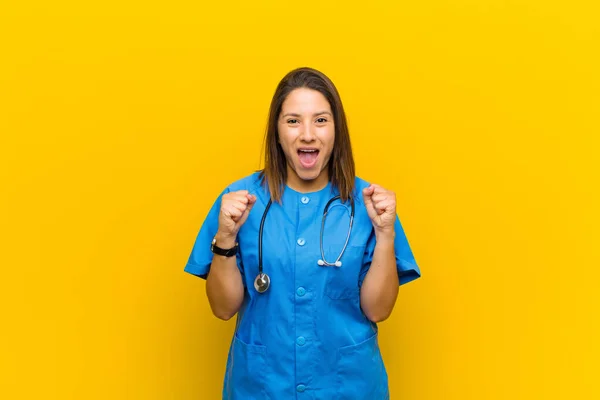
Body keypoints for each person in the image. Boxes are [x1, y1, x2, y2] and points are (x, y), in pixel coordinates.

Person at [184, 67, 421, 399]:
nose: (307, 134)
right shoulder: (238, 202)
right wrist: (225, 240)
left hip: (347, 388)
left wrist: (385, 235)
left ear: (337, 130)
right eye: (293, 120)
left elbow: (378, 310)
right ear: (277, 131)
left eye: (321, 120)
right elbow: (223, 309)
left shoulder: (370, 206)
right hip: (263, 387)